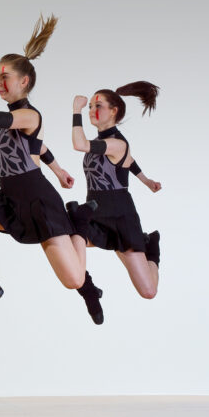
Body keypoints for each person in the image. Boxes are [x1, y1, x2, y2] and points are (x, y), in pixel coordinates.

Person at [0, 14, 104, 325]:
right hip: (10, 196)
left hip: (38, 200)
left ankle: (80, 221)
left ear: (23, 81)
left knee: (73, 280)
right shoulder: (20, 118)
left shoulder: (28, 114)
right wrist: (60, 169)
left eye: (3, 77)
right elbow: (39, 146)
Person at [68, 83, 162, 299]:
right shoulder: (105, 142)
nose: (92, 110)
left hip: (120, 217)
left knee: (148, 291)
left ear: (114, 111)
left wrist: (76, 111)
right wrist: (146, 180)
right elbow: (129, 161)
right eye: (90, 106)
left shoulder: (117, 143)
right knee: (65, 235)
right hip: (94, 211)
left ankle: (152, 247)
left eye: (97, 105)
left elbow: (79, 145)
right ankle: (89, 290)